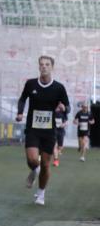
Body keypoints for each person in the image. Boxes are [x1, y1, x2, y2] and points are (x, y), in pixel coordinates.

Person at [16, 56, 70, 206]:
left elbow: (67, 106)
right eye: (41, 64)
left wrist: (63, 108)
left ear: (52, 67)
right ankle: (35, 170)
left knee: (46, 165)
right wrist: (20, 112)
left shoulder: (59, 87)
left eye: (47, 64)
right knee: (32, 159)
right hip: (33, 129)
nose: (44, 67)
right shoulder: (31, 83)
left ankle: (40, 194)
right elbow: (22, 99)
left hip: (49, 131)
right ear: (39, 67)